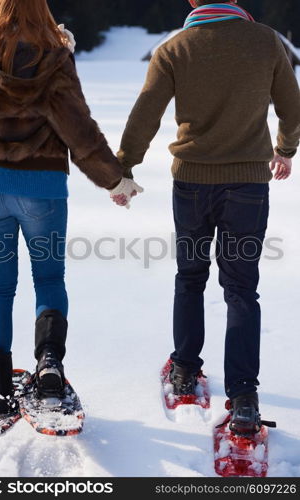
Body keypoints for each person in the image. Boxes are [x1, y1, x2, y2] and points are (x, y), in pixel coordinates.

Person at [117, 0, 300, 434]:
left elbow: (146, 112)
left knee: (190, 276)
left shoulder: (175, 48)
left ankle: (183, 369)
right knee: (240, 288)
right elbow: (292, 110)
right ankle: (244, 397)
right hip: (248, 188)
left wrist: (122, 168)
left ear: (192, 1)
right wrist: (285, 148)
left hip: (192, 185)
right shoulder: (266, 41)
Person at [0, 0, 141, 422]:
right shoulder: (54, 54)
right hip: (44, 190)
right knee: (49, 278)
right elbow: (77, 125)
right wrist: (115, 179)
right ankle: (49, 365)